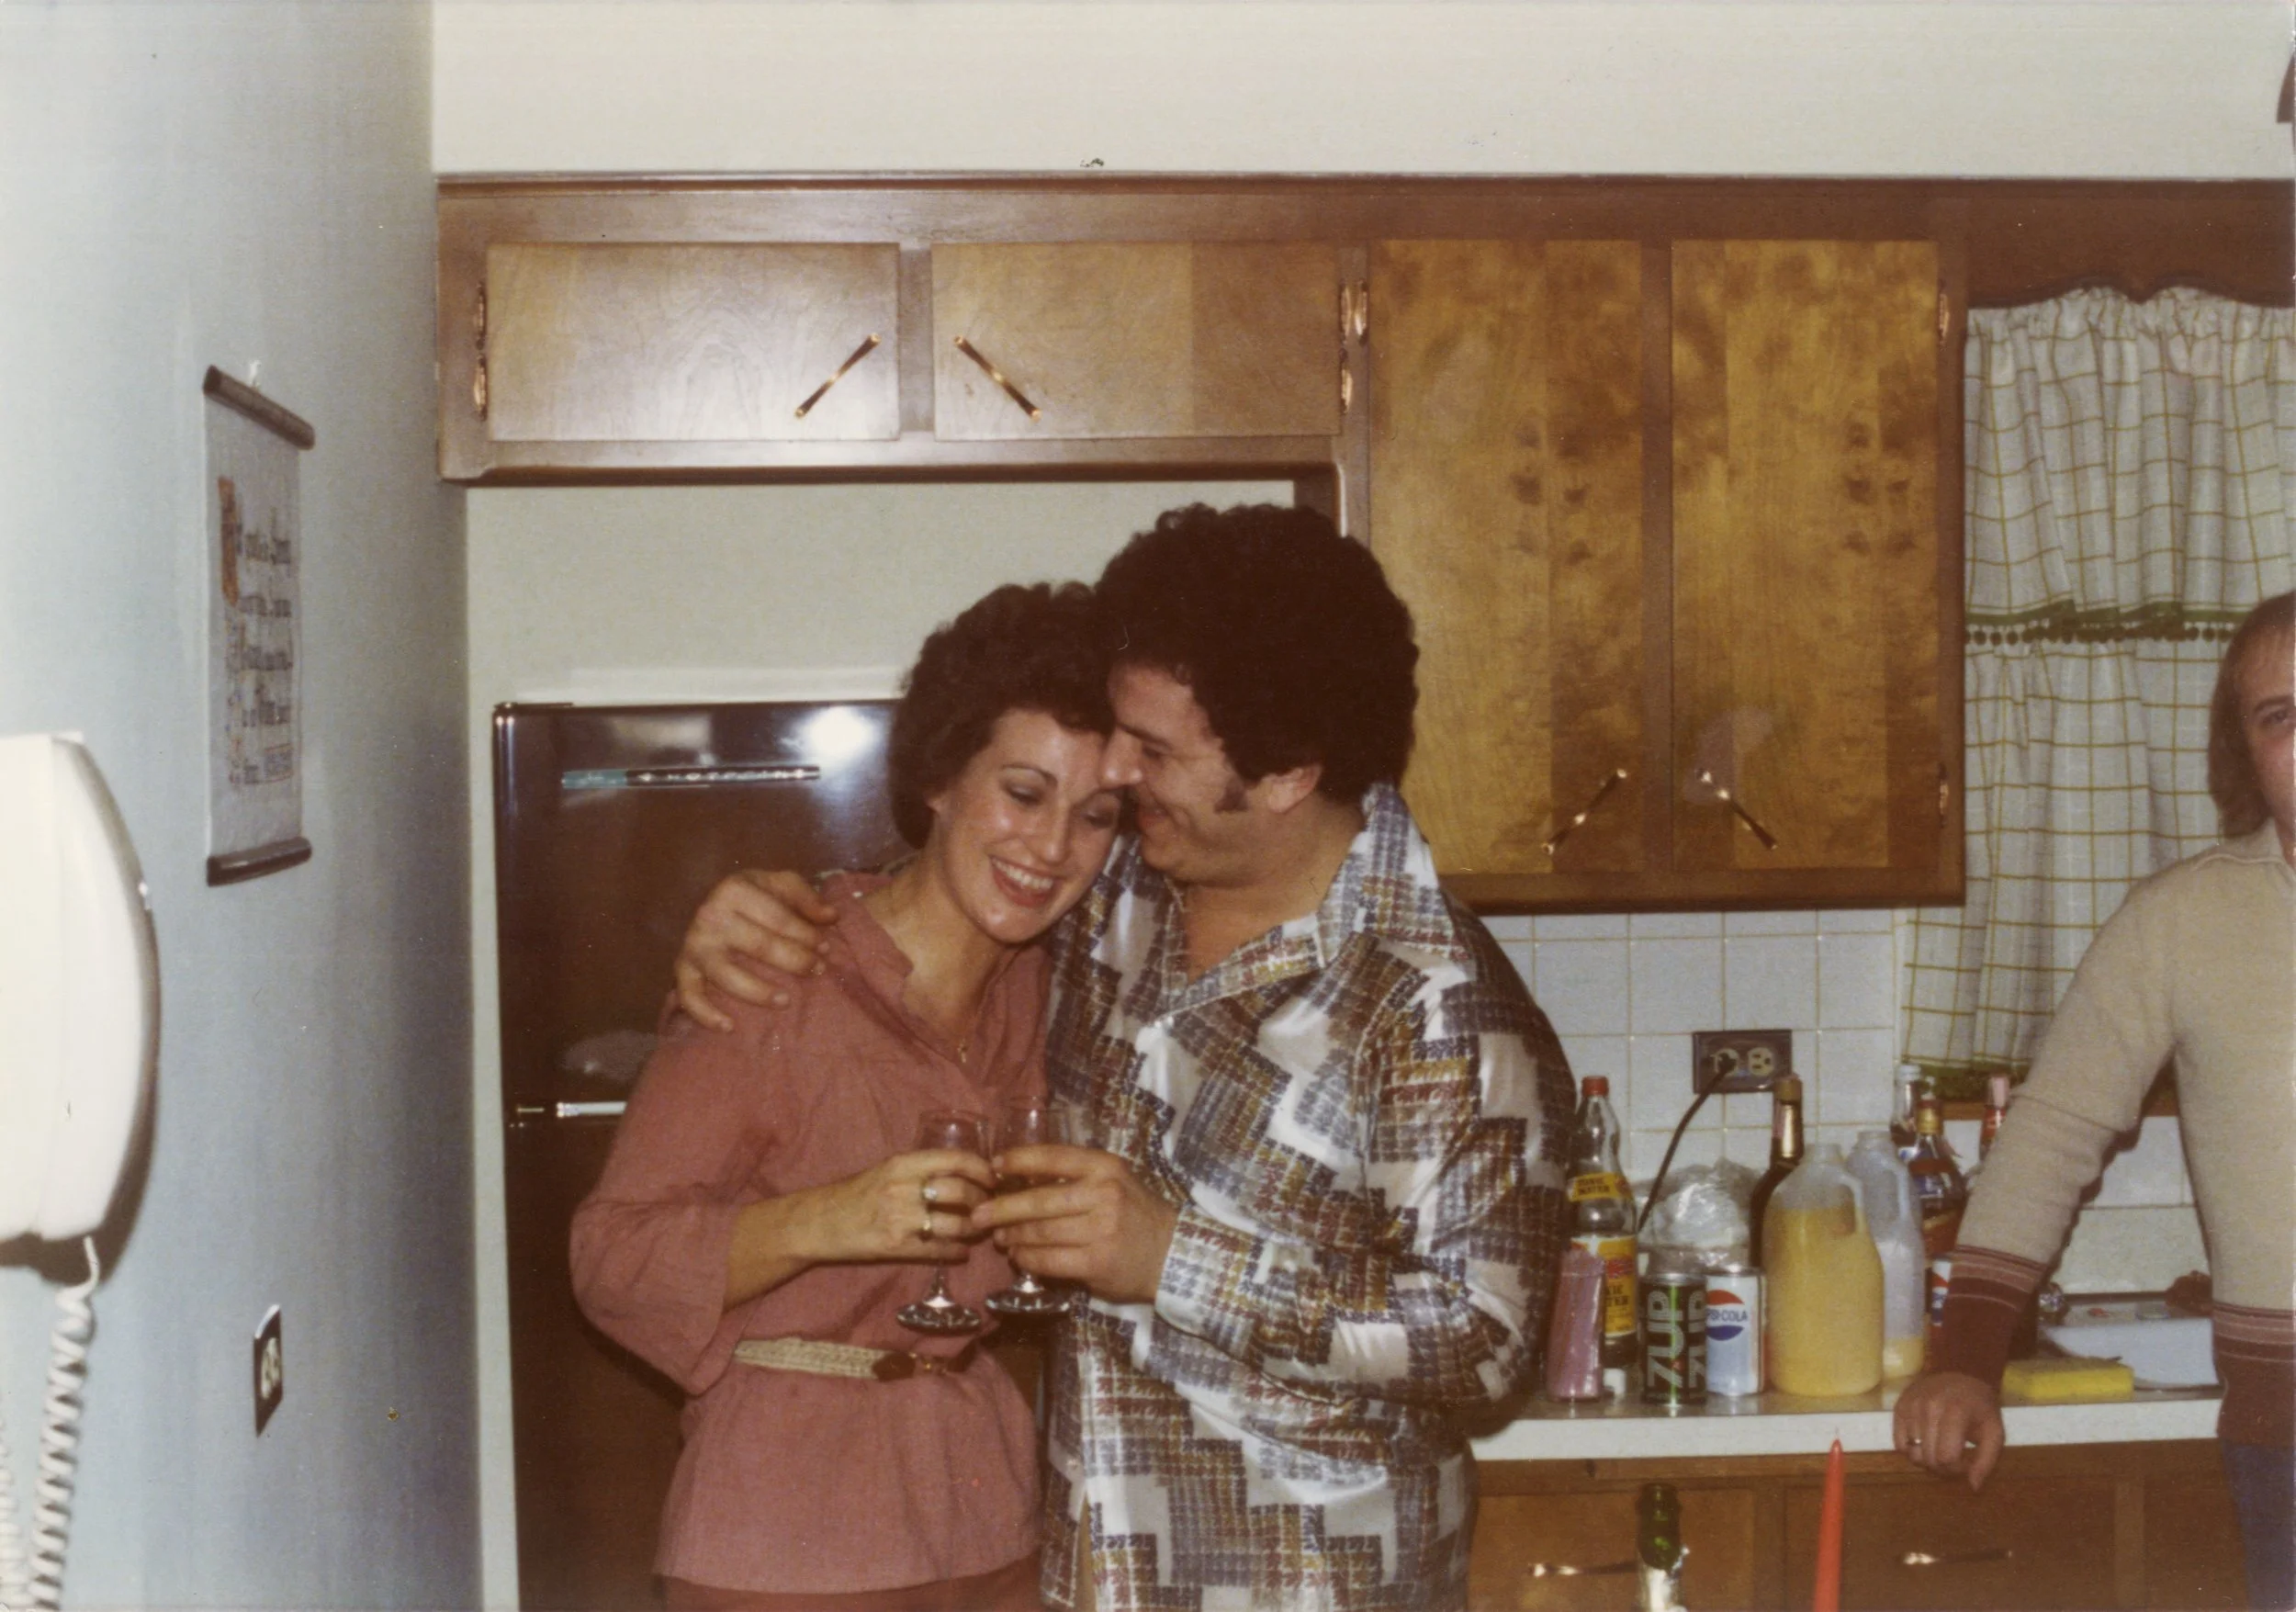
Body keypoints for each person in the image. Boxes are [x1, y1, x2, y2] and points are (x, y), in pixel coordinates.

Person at [674, 504, 1580, 1611]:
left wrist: (1173, 1261)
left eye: (1153, 751)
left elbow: (1485, 1347)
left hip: (1308, 1585)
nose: (1118, 769)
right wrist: (772, 911)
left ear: (1287, 771)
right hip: (1080, 1568)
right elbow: (958, 882)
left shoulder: (1441, 1007)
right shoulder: (1123, 890)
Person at [569, 582, 1125, 1611]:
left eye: (1095, 817)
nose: (1051, 850)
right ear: (938, 781)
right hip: (787, 1534)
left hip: (987, 1513)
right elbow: (611, 1256)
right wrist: (833, 1217)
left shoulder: (1064, 992)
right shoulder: (778, 971)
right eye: (1022, 792)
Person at [1894, 591, 2295, 1609]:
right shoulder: (2178, 922)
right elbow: (2051, 1135)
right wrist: (1965, 1359)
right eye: (2281, 715)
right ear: (2241, 752)